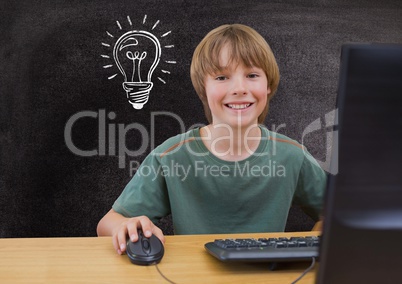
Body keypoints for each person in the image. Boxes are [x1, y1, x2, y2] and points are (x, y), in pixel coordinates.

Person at [97, 24, 327, 255]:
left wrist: (308, 245)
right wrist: (124, 226)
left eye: (252, 75)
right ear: (203, 89)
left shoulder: (292, 155)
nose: (239, 88)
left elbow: (334, 215)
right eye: (221, 77)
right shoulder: (171, 155)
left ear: (268, 86)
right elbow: (108, 223)